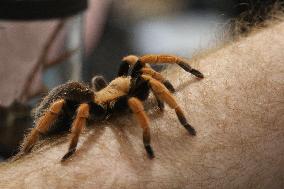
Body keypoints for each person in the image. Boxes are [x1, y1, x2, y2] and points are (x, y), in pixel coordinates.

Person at [0, 19, 283, 189]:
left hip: (101, 91)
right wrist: (146, 139)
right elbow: (100, 106)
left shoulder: (134, 78)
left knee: (139, 62)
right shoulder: (110, 102)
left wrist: (183, 71)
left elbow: (144, 70)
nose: (146, 80)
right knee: (78, 104)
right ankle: (28, 146)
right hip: (85, 105)